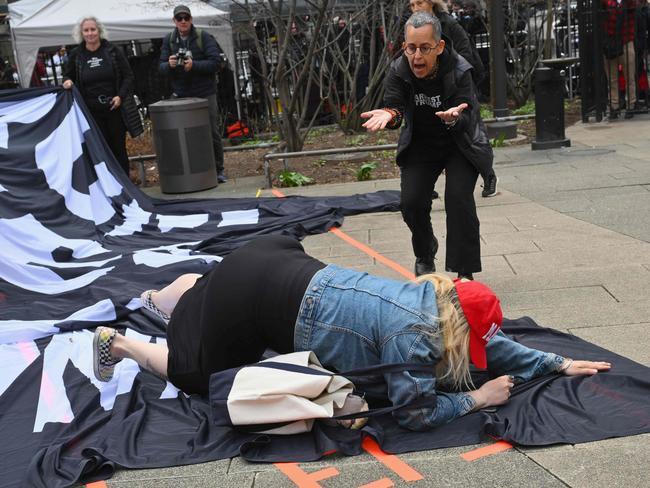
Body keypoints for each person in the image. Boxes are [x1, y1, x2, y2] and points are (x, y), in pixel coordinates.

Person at [92, 235, 611, 432]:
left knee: (212, 286)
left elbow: (496, 342)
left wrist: (557, 364)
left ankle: (182, 291)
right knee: (201, 378)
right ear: (455, 328)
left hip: (278, 258)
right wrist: (478, 398)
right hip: (249, 296)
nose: (477, 355)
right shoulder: (412, 338)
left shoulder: (433, 297)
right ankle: (122, 342)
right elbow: (414, 414)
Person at [361, 12, 489, 278]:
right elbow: (394, 106)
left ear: (439, 46)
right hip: (421, 143)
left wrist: (456, 117)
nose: (417, 56)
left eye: (424, 48)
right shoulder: (398, 69)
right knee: (411, 203)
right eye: (411, 48)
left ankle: (463, 271)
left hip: (459, 144)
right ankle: (425, 250)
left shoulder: (459, 69)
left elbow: (469, 115)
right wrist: (390, 115)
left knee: (458, 199)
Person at [407, 0, 496, 199]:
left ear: (431, 3)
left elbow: (466, 53)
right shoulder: (411, 27)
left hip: (455, 87)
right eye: (411, 5)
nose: (415, 8)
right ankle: (425, 183)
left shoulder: (449, 25)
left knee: (470, 137)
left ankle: (488, 174)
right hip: (427, 88)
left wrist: (445, 67)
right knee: (426, 134)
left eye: (419, 2)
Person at [63, 17, 143, 176]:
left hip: (114, 108)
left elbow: (128, 76)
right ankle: (109, 188)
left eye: (93, 29)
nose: (90, 33)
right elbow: (67, 76)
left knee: (119, 149)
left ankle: (125, 186)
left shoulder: (112, 50)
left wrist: (120, 96)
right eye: (86, 30)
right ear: (81, 33)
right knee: (100, 151)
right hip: (91, 112)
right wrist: (67, 82)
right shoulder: (76, 54)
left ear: (99, 31)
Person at [159, 4, 227, 183]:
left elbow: (216, 63)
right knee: (185, 135)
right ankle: (192, 171)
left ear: (191, 19)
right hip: (181, 94)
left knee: (211, 131)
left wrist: (194, 65)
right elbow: (160, 68)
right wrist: (170, 64)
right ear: (174, 21)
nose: (183, 21)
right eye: (179, 18)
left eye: (186, 18)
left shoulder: (203, 37)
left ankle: (218, 169)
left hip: (205, 92)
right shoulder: (169, 40)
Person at [602, 0, 637, 119]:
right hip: (611, 43)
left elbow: (633, 5)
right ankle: (614, 106)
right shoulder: (608, 2)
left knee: (629, 76)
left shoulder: (629, 3)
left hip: (626, 41)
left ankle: (630, 105)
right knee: (612, 78)